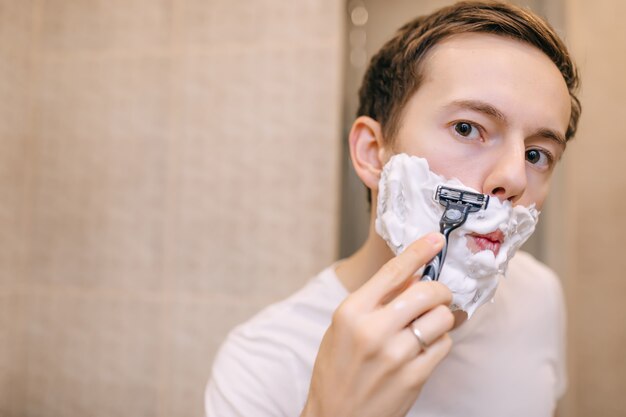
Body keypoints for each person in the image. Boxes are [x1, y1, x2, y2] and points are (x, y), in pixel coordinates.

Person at [206, 1, 581, 416]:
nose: (514, 178)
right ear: (372, 153)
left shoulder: (539, 295)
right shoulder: (261, 365)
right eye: (467, 128)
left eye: (537, 154)